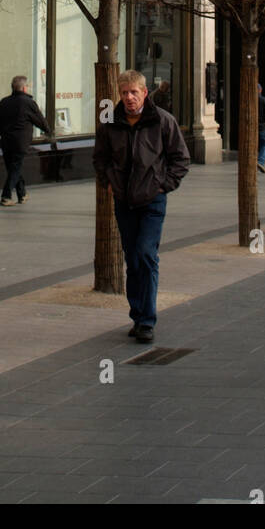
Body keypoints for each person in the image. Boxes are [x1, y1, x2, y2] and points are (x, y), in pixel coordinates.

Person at [93, 69, 190, 344]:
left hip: (152, 201)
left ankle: (147, 320)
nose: (129, 97)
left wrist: (163, 185)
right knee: (133, 259)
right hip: (124, 201)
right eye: (124, 93)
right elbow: (100, 158)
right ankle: (137, 315)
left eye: (134, 92)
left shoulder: (161, 121)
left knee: (146, 255)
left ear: (144, 93)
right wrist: (107, 183)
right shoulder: (110, 123)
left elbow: (181, 159)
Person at [0, 75, 50, 206]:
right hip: (20, 142)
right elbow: (40, 120)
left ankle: (22, 194)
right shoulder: (28, 102)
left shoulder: (3, 102)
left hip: (6, 141)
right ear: (24, 88)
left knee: (13, 168)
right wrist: (48, 130)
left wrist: (3, 134)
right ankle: (6, 196)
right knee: (15, 168)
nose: (29, 88)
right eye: (28, 86)